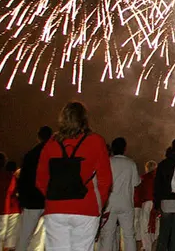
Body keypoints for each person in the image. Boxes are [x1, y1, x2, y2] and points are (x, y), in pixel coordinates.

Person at [35, 101, 113, 251]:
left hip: (55, 207)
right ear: (84, 119)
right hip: (86, 207)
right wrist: (99, 204)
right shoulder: (96, 141)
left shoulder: (51, 143)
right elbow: (105, 180)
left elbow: (40, 179)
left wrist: (54, 195)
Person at [99, 137, 141, 251]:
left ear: (112, 148)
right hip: (126, 203)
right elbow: (136, 183)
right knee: (129, 235)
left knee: (107, 235)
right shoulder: (131, 163)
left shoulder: (108, 162)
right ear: (125, 148)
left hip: (109, 204)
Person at [17, 126, 52, 251]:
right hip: (50, 200)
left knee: (25, 235)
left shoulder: (30, 154)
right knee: (45, 236)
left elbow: (23, 179)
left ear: (38, 137)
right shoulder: (55, 152)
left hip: (32, 200)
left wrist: (21, 200)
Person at [155, 139, 175, 251]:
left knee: (164, 232)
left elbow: (158, 185)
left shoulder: (163, 164)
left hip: (165, 202)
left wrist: (156, 204)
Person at [136, 161, 158, 251]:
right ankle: (154, 246)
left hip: (146, 203)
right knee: (155, 226)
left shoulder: (143, 178)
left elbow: (139, 192)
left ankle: (147, 247)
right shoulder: (158, 178)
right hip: (156, 203)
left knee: (145, 226)